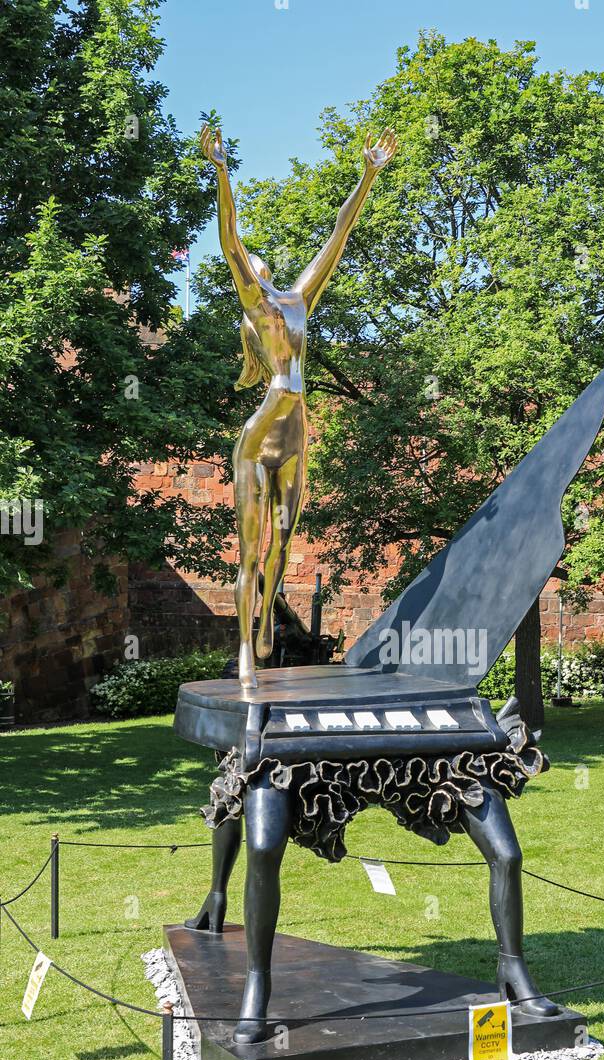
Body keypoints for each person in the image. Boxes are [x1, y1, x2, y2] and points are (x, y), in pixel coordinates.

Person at [200, 121, 398, 689]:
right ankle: (244, 651)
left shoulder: (299, 298)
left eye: (260, 262)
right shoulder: (255, 305)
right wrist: (221, 172)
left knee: (283, 544)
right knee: (250, 553)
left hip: (296, 432)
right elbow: (229, 237)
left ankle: (265, 620)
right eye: (251, 264)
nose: (256, 263)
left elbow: (339, 233)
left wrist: (367, 175)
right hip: (260, 431)